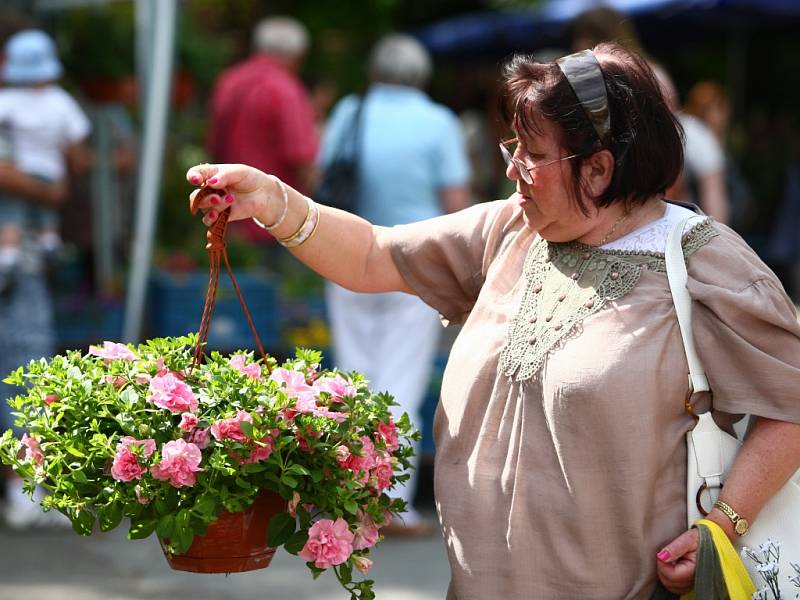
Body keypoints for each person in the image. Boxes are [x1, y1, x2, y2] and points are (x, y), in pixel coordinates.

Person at [186, 43, 800, 598]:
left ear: (599, 168)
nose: (512, 170)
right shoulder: (511, 230)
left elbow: (791, 403)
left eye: (532, 155)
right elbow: (373, 255)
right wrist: (273, 201)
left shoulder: (700, 262)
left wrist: (726, 523)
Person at [317, 34, 471, 536]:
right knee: (400, 378)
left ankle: (344, 496)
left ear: (375, 71)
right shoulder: (440, 122)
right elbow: (456, 199)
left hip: (347, 254)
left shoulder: (349, 110)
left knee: (352, 377)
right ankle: (387, 501)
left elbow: (323, 175)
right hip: (415, 262)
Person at [0, 28, 87, 529]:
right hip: (27, 257)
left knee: (24, 364)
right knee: (25, 364)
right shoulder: (59, 103)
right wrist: (50, 187)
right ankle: (25, 487)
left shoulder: (9, 105)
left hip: (21, 257)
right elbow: (74, 162)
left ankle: (26, 486)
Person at [569, 5, 731, 225]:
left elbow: (665, 143)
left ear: (603, 37)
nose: (576, 46)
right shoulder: (632, 74)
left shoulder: (643, 75)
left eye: (585, 37)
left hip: (648, 195)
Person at [207, 15, 318, 244]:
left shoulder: (229, 81)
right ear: (296, 56)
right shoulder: (284, 89)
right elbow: (300, 156)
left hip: (228, 212)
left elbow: (213, 145)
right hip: (274, 218)